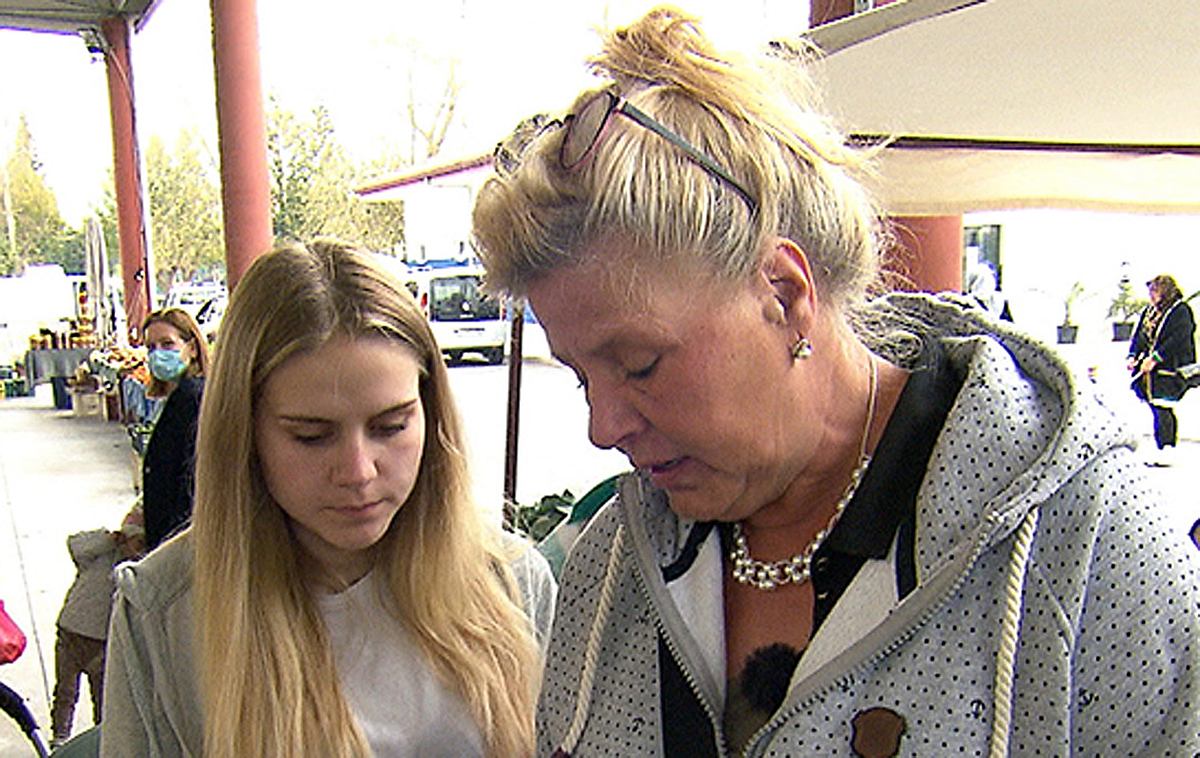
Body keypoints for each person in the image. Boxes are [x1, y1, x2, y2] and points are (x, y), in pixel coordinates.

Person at [471, 9, 1200, 756]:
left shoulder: (1086, 541)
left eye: (639, 364)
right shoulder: (610, 567)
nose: (604, 427)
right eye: (580, 377)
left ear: (784, 293)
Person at [101, 239, 556, 757]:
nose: (358, 472)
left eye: (390, 426)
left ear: (431, 415)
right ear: (246, 434)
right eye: (311, 436)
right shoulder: (162, 615)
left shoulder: (512, 583)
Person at [49, 506, 144, 748]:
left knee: (102, 698)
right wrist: (108, 539)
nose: (135, 549)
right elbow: (76, 545)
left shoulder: (136, 571)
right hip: (72, 632)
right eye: (133, 541)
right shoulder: (100, 555)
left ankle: (101, 741)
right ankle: (60, 736)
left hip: (103, 642)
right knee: (65, 692)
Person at [140, 307, 209, 549]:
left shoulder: (191, 398)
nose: (158, 354)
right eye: (151, 347)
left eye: (167, 344)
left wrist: (169, 548)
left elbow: (192, 481)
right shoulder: (177, 396)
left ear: (192, 348)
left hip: (182, 540)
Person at [1127, 274, 1195, 466]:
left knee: (1164, 407)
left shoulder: (1180, 311)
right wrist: (1133, 356)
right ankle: (1162, 446)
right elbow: (1139, 336)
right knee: (1157, 408)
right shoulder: (1150, 312)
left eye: (1155, 291)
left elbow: (1178, 338)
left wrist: (1156, 358)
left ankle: (1167, 447)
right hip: (1151, 371)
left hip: (1170, 369)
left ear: (1166, 292)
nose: (1151, 295)